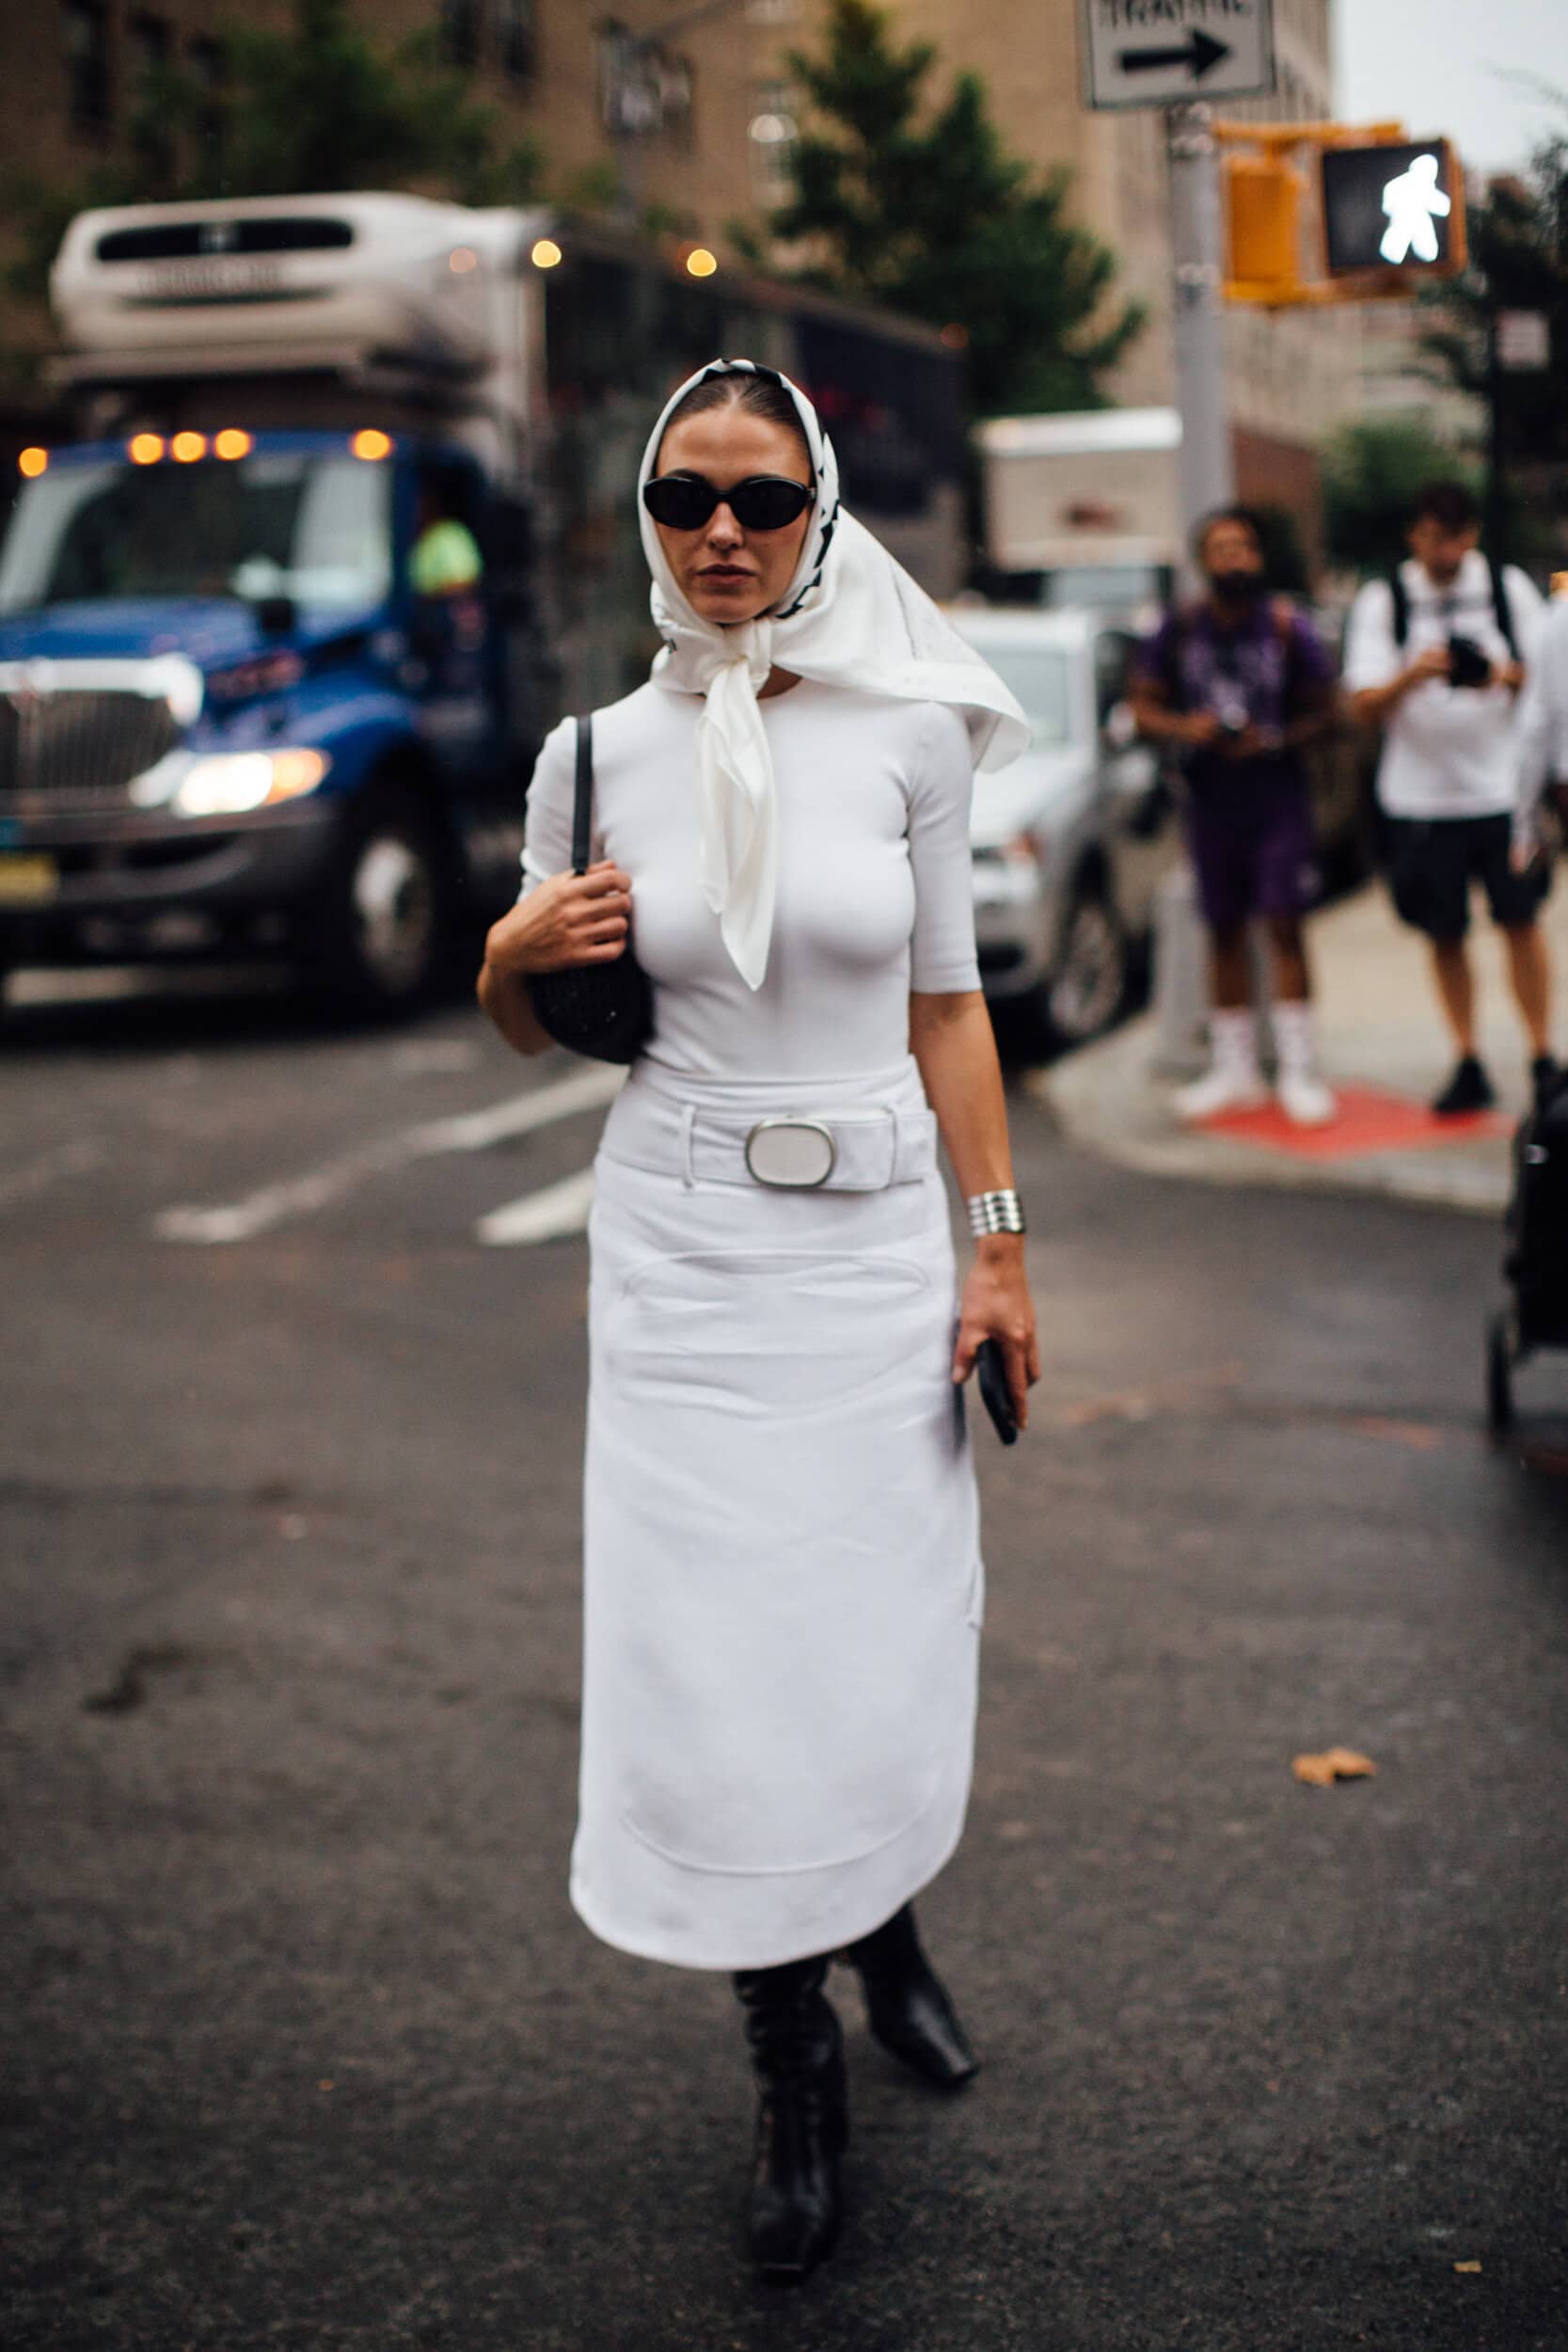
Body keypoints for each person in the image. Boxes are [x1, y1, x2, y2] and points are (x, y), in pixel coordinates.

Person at [477, 359, 1037, 2284]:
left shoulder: (905, 735)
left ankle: (879, 1921)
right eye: (684, 497)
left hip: (871, 1245)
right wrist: (504, 953)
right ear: (648, 515)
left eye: (763, 498)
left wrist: (994, 1248)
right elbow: (535, 1020)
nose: (722, 531)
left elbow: (949, 1009)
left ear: (819, 517)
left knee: (859, 1631)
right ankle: (789, 2061)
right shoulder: (588, 754)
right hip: (681, 1247)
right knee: (721, 1658)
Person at [1344, 480, 1556, 1112]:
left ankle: (1542, 1053)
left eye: (1457, 538)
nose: (1446, 553)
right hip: (1421, 799)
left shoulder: (1505, 588)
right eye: (1435, 538)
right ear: (1414, 535)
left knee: (1520, 921)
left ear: (1473, 536)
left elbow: (1549, 680)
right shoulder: (1385, 599)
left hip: (1502, 791)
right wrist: (1411, 675)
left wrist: (1496, 674)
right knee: (1444, 932)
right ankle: (1466, 1056)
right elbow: (1361, 704)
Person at [1130, 506, 1339, 1125]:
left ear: (1259, 556)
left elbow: (1329, 711)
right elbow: (1141, 707)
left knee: (1284, 923)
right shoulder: (1180, 628)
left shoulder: (1284, 626)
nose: (1234, 559)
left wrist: (1273, 738)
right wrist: (1185, 728)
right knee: (1221, 928)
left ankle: (1298, 1069)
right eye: (1221, 549)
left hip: (1277, 793)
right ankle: (1234, 1068)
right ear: (1203, 561)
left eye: (1243, 547)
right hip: (1209, 796)